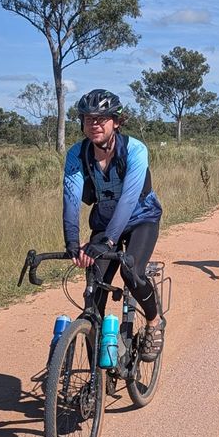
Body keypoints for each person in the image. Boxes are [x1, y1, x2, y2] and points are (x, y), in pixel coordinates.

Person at [63, 89, 164, 362]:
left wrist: (107, 243)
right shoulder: (77, 154)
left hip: (141, 219)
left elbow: (130, 199)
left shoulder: (135, 150)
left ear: (116, 122)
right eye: (88, 119)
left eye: (102, 119)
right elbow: (71, 200)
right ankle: (98, 375)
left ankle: (154, 323)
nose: (94, 124)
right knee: (94, 291)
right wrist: (72, 243)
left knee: (132, 272)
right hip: (105, 222)